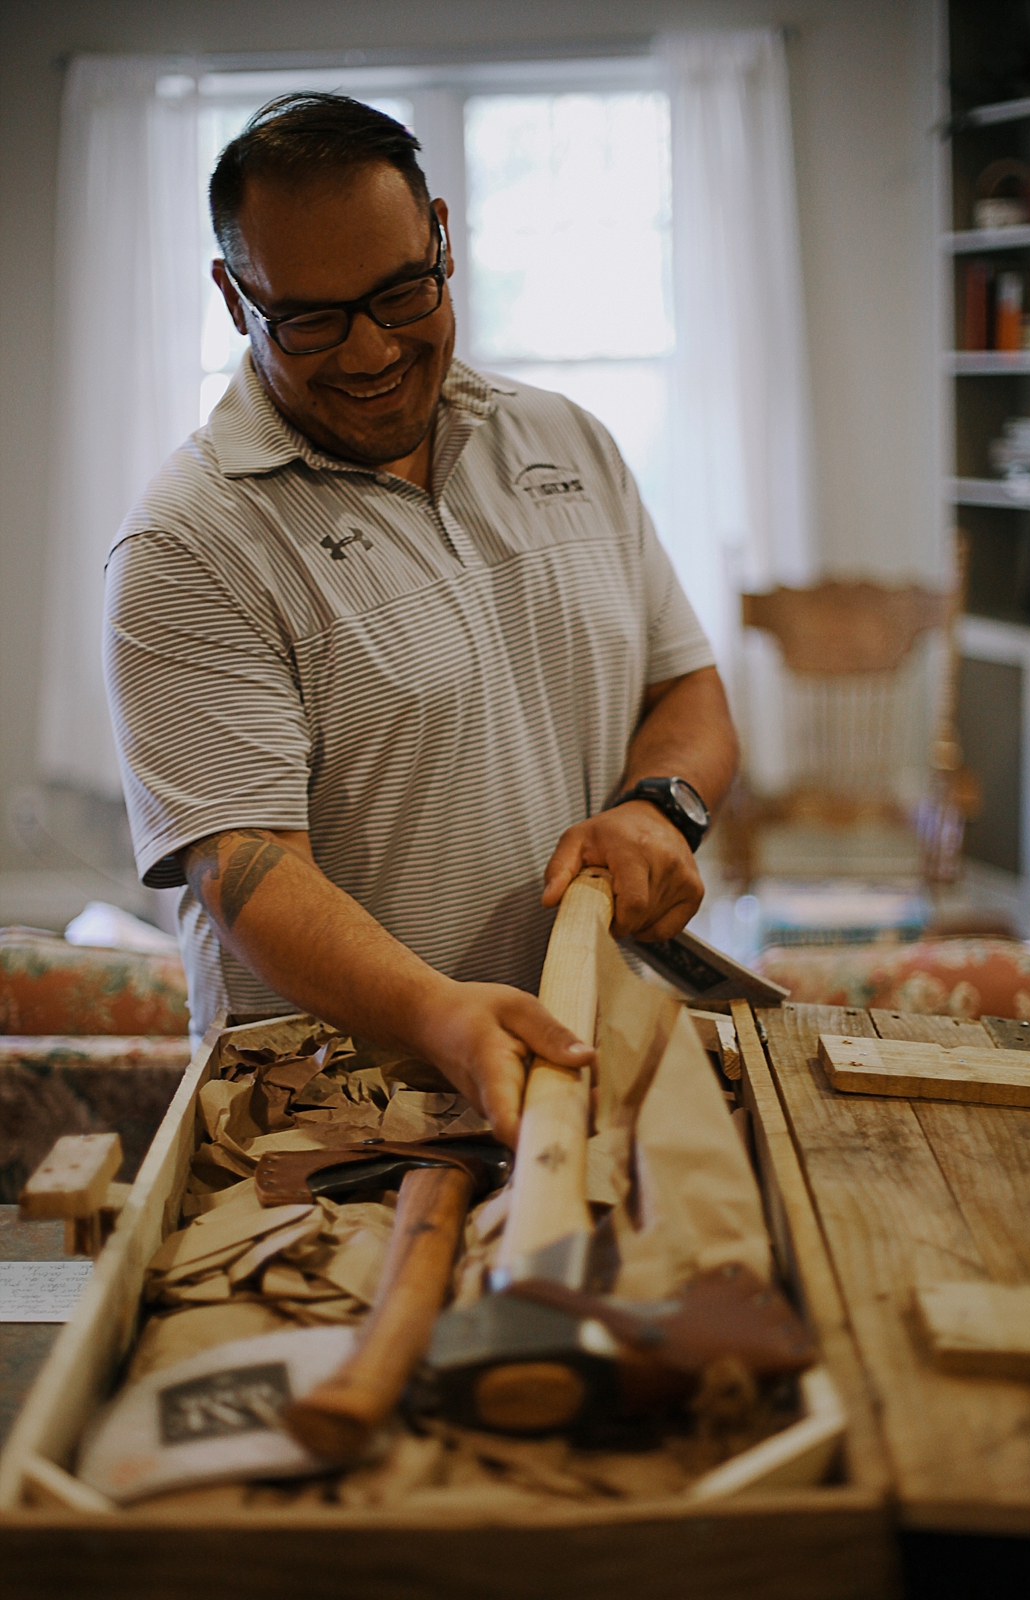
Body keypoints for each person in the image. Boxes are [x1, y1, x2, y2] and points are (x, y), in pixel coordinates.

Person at [104, 94, 739, 1146]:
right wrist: (436, 1012)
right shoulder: (190, 541)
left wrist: (654, 810)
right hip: (322, 1129)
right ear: (232, 296)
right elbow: (246, 866)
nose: (367, 353)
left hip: (578, 1061)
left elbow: (686, 690)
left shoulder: (565, 442)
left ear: (441, 236)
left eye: (401, 293)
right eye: (309, 317)